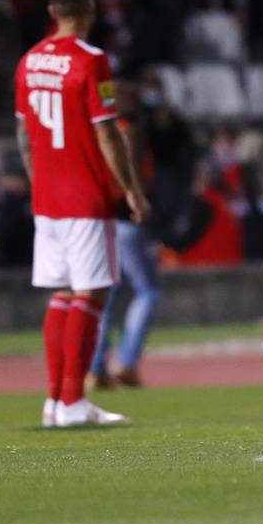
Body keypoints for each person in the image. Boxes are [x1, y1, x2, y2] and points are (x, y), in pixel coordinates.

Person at [14, 0, 150, 429]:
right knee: (92, 295)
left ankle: (55, 401)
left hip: (47, 199)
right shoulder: (91, 61)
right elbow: (107, 130)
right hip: (84, 195)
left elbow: (23, 134)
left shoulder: (29, 61)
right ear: (89, 10)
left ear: (52, 13)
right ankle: (73, 401)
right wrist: (130, 188)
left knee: (61, 296)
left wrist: (37, 182)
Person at [89, 80, 163, 393]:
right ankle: (127, 361)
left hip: (100, 220)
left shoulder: (96, 131)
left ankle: (95, 368)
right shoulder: (125, 130)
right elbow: (130, 173)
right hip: (125, 219)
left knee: (106, 296)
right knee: (148, 289)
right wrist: (137, 194)